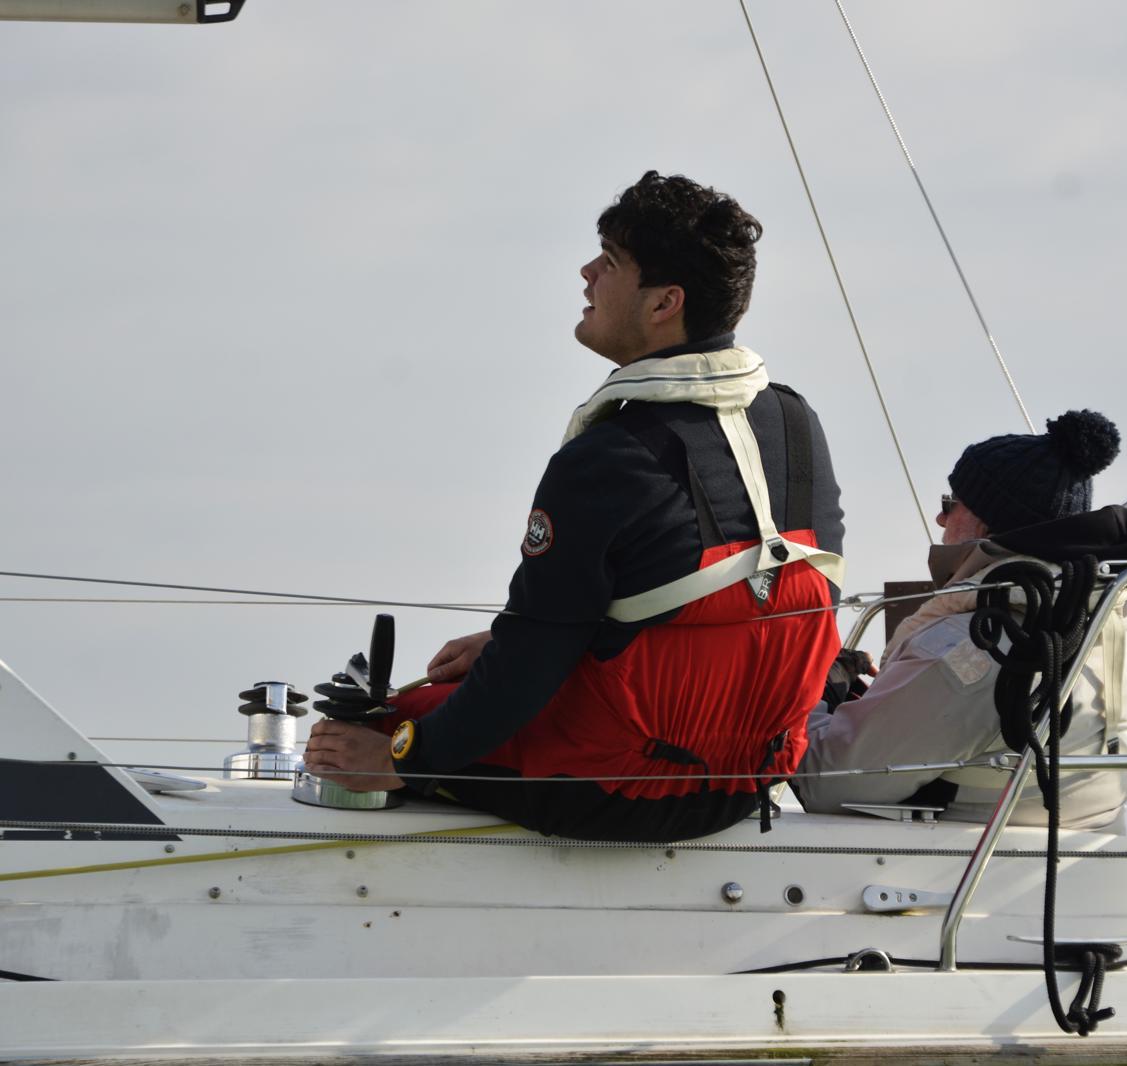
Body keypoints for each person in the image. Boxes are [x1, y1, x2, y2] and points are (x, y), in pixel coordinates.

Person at [305, 171, 846, 842]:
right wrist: (514, 643)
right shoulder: (795, 422)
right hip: (745, 784)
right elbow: (739, 602)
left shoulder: (609, 458)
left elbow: (528, 665)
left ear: (664, 303)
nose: (587, 273)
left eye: (611, 262)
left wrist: (398, 761)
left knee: (387, 725)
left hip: (622, 792)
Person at [794, 410, 1127, 830]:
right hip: (1073, 845)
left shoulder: (973, 646)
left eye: (951, 504)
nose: (941, 518)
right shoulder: (1107, 624)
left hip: (953, 860)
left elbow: (830, 783)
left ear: (986, 523)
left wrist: (811, 696)